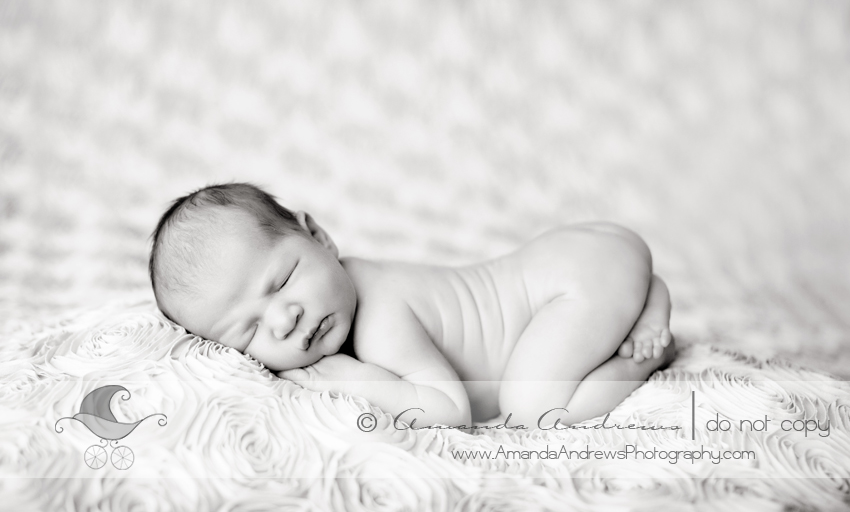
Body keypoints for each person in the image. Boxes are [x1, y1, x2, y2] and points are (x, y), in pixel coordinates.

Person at [149, 183, 675, 429]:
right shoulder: (346, 295)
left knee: (533, 408)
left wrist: (350, 380)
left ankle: (642, 349)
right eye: (247, 332)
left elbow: (451, 409)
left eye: (283, 280)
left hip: (573, 279)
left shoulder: (379, 314)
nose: (284, 320)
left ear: (320, 237)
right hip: (584, 254)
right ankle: (639, 297)